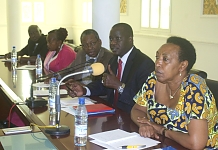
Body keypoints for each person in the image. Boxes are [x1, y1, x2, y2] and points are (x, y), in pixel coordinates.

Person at [131, 36, 218, 149]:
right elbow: (137, 109)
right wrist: (144, 125)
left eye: (165, 59)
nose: (158, 63)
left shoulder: (194, 90)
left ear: (182, 66)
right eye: (157, 57)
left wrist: (162, 130)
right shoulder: (154, 79)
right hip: (165, 144)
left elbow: (196, 144)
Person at [67, 23, 155, 113]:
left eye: (118, 39)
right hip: (111, 113)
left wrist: (119, 86)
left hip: (130, 116)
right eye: (111, 39)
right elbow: (103, 84)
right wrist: (84, 90)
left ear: (130, 39)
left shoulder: (144, 64)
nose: (113, 43)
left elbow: (144, 100)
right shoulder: (114, 60)